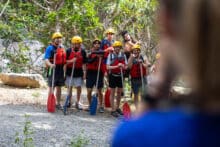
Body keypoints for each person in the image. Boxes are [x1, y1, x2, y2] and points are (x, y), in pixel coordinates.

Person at [112, 0, 220, 146]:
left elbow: (133, 133)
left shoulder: (138, 135)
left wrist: (157, 86)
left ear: (166, 21)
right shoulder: (125, 49)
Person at [44, 32, 66, 110]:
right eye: (57, 38)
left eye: (59, 38)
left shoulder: (62, 48)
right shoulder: (50, 48)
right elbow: (46, 59)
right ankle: (50, 102)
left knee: (59, 87)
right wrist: (50, 65)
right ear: (54, 39)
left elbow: (64, 61)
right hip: (53, 69)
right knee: (51, 87)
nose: (58, 40)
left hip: (60, 69)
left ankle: (58, 103)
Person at [65, 36, 87, 110]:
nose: (76, 45)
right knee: (70, 87)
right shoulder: (68, 51)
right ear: (72, 44)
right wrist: (71, 61)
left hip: (78, 71)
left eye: (77, 44)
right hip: (70, 71)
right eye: (74, 44)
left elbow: (84, 63)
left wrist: (84, 73)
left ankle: (78, 102)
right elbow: (64, 62)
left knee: (78, 87)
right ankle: (69, 101)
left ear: (80, 44)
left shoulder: (83, 51)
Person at [106, 41, 127, 117]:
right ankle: (113, 109)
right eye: (116, 47)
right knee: (112, 92)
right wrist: (117, 66)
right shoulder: (110, 55)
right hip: (113, 75)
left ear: (120, 48)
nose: (117, 48)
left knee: (119, 92)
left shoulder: (123, 55)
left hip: (120, 75)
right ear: (114, 48)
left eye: (118, 47)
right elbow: (107, 67)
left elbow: (126, 66)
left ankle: (117, 107)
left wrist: (123, 66)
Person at [86, 39, 104, 113]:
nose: (97, 45)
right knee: (89, 90)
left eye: (98, 44)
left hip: (99, 72)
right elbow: (88, 61)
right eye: (95, 43)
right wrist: (95, 56)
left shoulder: (102, 52)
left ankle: (100, 106)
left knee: (99, 90)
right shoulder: (90, 52)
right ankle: (90, 104)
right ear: (93, 44)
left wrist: (100, 56)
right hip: (90, 73)